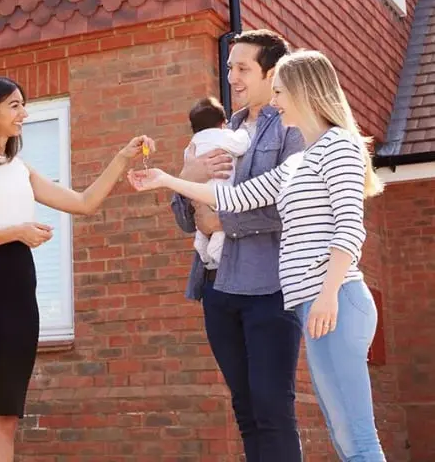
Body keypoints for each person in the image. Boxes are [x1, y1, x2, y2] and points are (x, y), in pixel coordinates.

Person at [130, 49, 386, 461]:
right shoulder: (303, 160)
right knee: (342, 434)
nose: (277, 102)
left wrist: (327, 294)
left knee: (358, 435)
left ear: (304, 92)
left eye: (281, 92)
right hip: (312, 304)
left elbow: (350, 227)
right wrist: (165, 179)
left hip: (337, 301)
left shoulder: (339, 146)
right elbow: (237, 196)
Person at [0, 75, 154, 462]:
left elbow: (84, 203)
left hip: (20, 297)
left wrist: (122, 158)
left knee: (5, 418)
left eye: (23, 104)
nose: (24, 113)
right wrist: (15, 231)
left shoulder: (20, 168)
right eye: (14, 105)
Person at [170, 30, 306, 462]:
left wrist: (222, 219)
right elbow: (181, 217)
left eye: (242, 68)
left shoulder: (293, 129)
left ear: (273, 73)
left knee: (272, 409)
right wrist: (189, 174)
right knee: (245, 410)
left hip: (269, 290)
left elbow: (292, 208)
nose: (232, 77)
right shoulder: (220, 130)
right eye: (230, 67)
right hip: (217, 288)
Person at [185, 96, 251, 267]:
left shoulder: (191, 145)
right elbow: (242, 144)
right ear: (223, 122)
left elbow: (187, 169)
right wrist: (243, 132)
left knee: (201, 221)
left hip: (198, 195)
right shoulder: (224, 136)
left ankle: (201, 245)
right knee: (220, 224)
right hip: (221, 192)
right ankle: (216, 251)